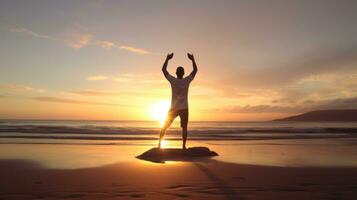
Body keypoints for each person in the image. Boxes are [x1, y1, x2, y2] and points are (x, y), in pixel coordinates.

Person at [158, 53, 198, 149]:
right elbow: (195, 70)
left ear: (176, 73)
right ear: (183, 73)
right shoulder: (186, 80)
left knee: (165, 126)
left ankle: (159, 144)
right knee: (184, 128)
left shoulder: (173, 80)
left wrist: (167, 59)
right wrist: (192, 59)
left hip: (174, 108)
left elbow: (163, 70)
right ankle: (183, 146)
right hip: (184, 108)